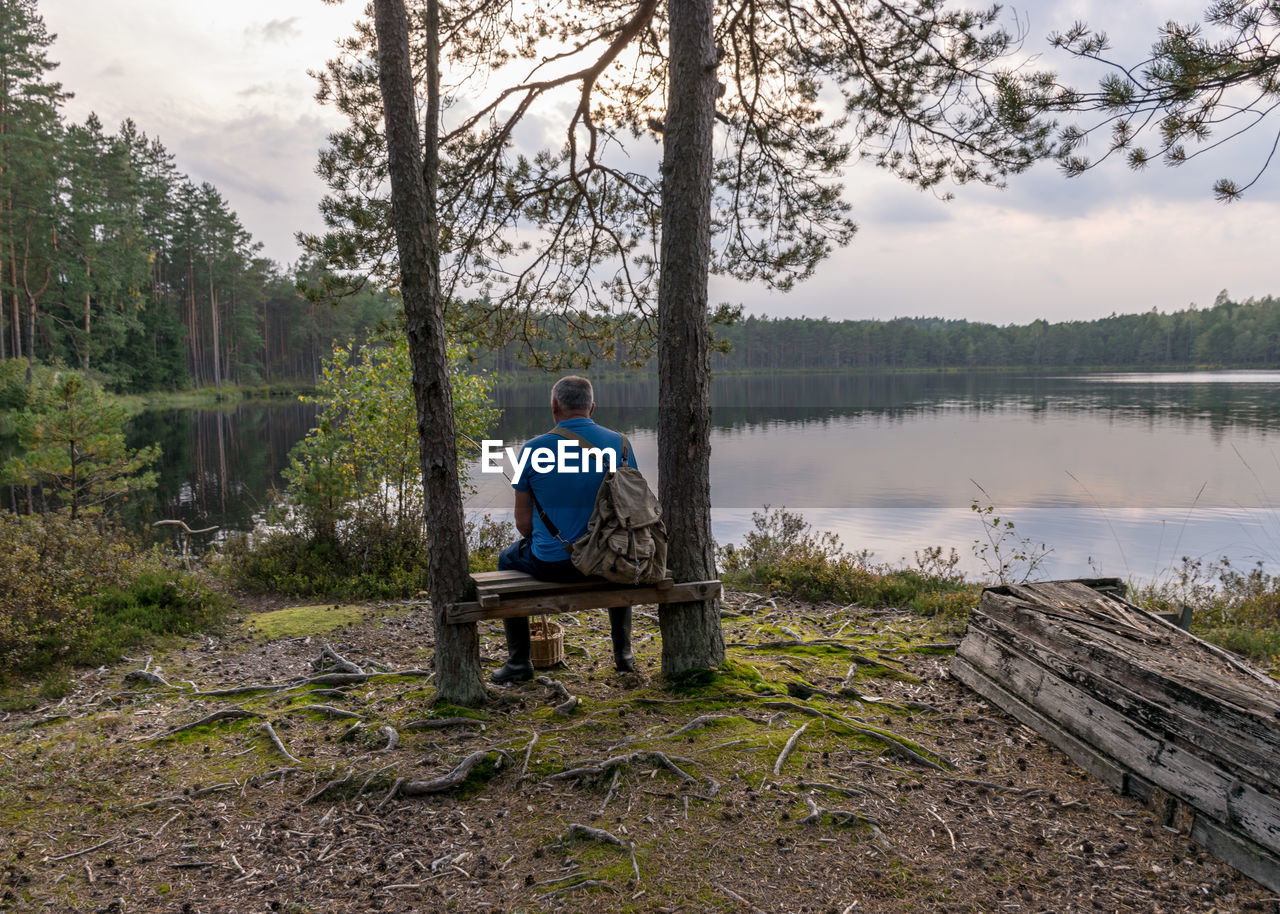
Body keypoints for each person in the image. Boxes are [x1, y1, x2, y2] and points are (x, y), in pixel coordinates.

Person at [490, 376, 638, 684]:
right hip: (608, 562)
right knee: (617, 551)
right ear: (592, 407)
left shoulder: (532, 450)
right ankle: (623, 656)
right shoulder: (621, 444)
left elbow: (523, 525)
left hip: (555, 564)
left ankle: (519, 662)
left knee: (507, 560)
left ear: (554, 406)